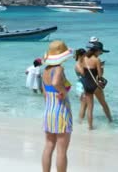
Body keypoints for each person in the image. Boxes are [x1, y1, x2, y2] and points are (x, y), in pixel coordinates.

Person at [41, 40, 73, 172]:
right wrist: (63, 92)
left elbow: (44, 92)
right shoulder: (58, 69)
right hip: (60, 111)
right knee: (61, 150)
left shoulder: (45, 71)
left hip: (48, 110)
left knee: (48, 145)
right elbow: (55, 83)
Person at [80, 42, 113, 129]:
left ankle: (90, 127)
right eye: (100, 52)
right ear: (96, 51)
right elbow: (100, 75)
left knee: (90, 108)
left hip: (86, 85)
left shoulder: (83, 58)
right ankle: (110, 120)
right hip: (95, 85)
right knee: (103, 104)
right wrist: (102, 67)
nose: (101, 53)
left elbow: (83, 73)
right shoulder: (96, 60)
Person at [73, 49, 88, 124]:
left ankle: (81, 121)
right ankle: (80, 122)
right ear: (81, 55)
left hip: (82, 84)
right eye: (85, 55)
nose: (86, 56)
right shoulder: (78, 64)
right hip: (81, 86)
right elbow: (83, 73)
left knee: (85, 105)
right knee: (83, 105)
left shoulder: (82, 63)